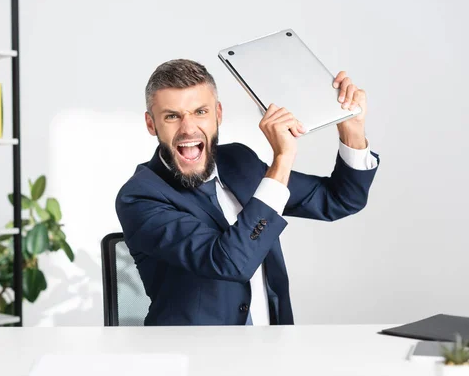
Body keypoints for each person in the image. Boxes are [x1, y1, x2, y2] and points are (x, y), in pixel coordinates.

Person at [115, 59, 379, 326]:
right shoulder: (140, 196)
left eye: (200, 112)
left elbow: (340, 199)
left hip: (272, 348)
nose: (188, 128)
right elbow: (230, 262)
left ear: (218, 114)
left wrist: (352, 129)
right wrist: (282, 159)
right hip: (192, 359)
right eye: (172, 116)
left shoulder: (240, 162)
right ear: (151, 124)